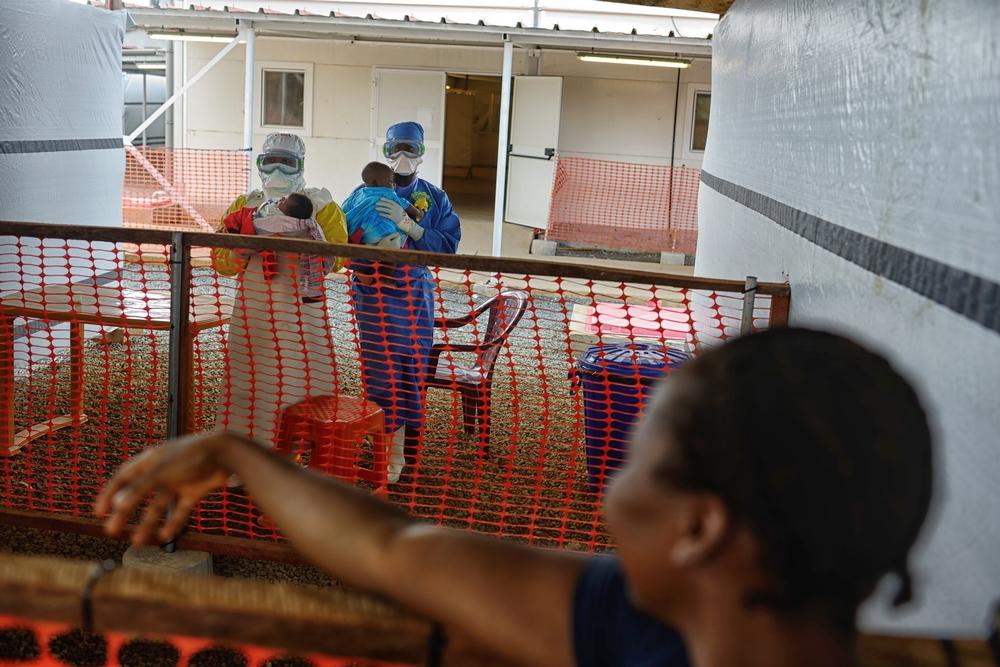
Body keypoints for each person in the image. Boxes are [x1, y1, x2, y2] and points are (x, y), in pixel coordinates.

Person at [96, 328, 934, 667]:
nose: (612, 492)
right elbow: (393, 548)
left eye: (635, 463)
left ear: (699, 527)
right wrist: (236, 452)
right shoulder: (647, 616)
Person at [212, 132, 348, 449]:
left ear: (301, 165)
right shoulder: (245, 206)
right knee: (248, 379)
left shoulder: (322, 205)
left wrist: (310, 249)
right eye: (269, 162)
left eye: (286, 164)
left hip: (301, 309)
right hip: (253, 308)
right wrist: (235, 254)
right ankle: (241, 451)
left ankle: (294, 450)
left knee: (301, 376)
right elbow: (219, 258)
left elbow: (341, 256)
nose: (277, 172)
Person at [348, 121, 461, 483]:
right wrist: (360, 268)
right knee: (380, 371)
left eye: (410, 150)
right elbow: (340, 235)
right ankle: (383, 453)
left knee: (411, 372)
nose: (402, 158)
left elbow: (447, 247)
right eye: (395, 149)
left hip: (414, 296)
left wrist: (414, 229)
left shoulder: (436, 198)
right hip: (373, 294)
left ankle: (404, 452)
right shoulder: (360, 193)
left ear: (422, 154)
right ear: (384, 152)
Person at [222, 192, 326, 303]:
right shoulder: (252, 201)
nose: (280, 199)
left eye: (284, 201)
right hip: (271, 277)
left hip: (274, 276)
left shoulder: (295, 220)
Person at [342, 161, 424, 249]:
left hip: (362, 234)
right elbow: (406, 204)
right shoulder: (388, 193)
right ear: (375, 182)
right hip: (386, 234)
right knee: (400, 240)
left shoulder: (358, 193)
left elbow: (343, 210)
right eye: (390, 182)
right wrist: (418, 213)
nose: (394, 185)